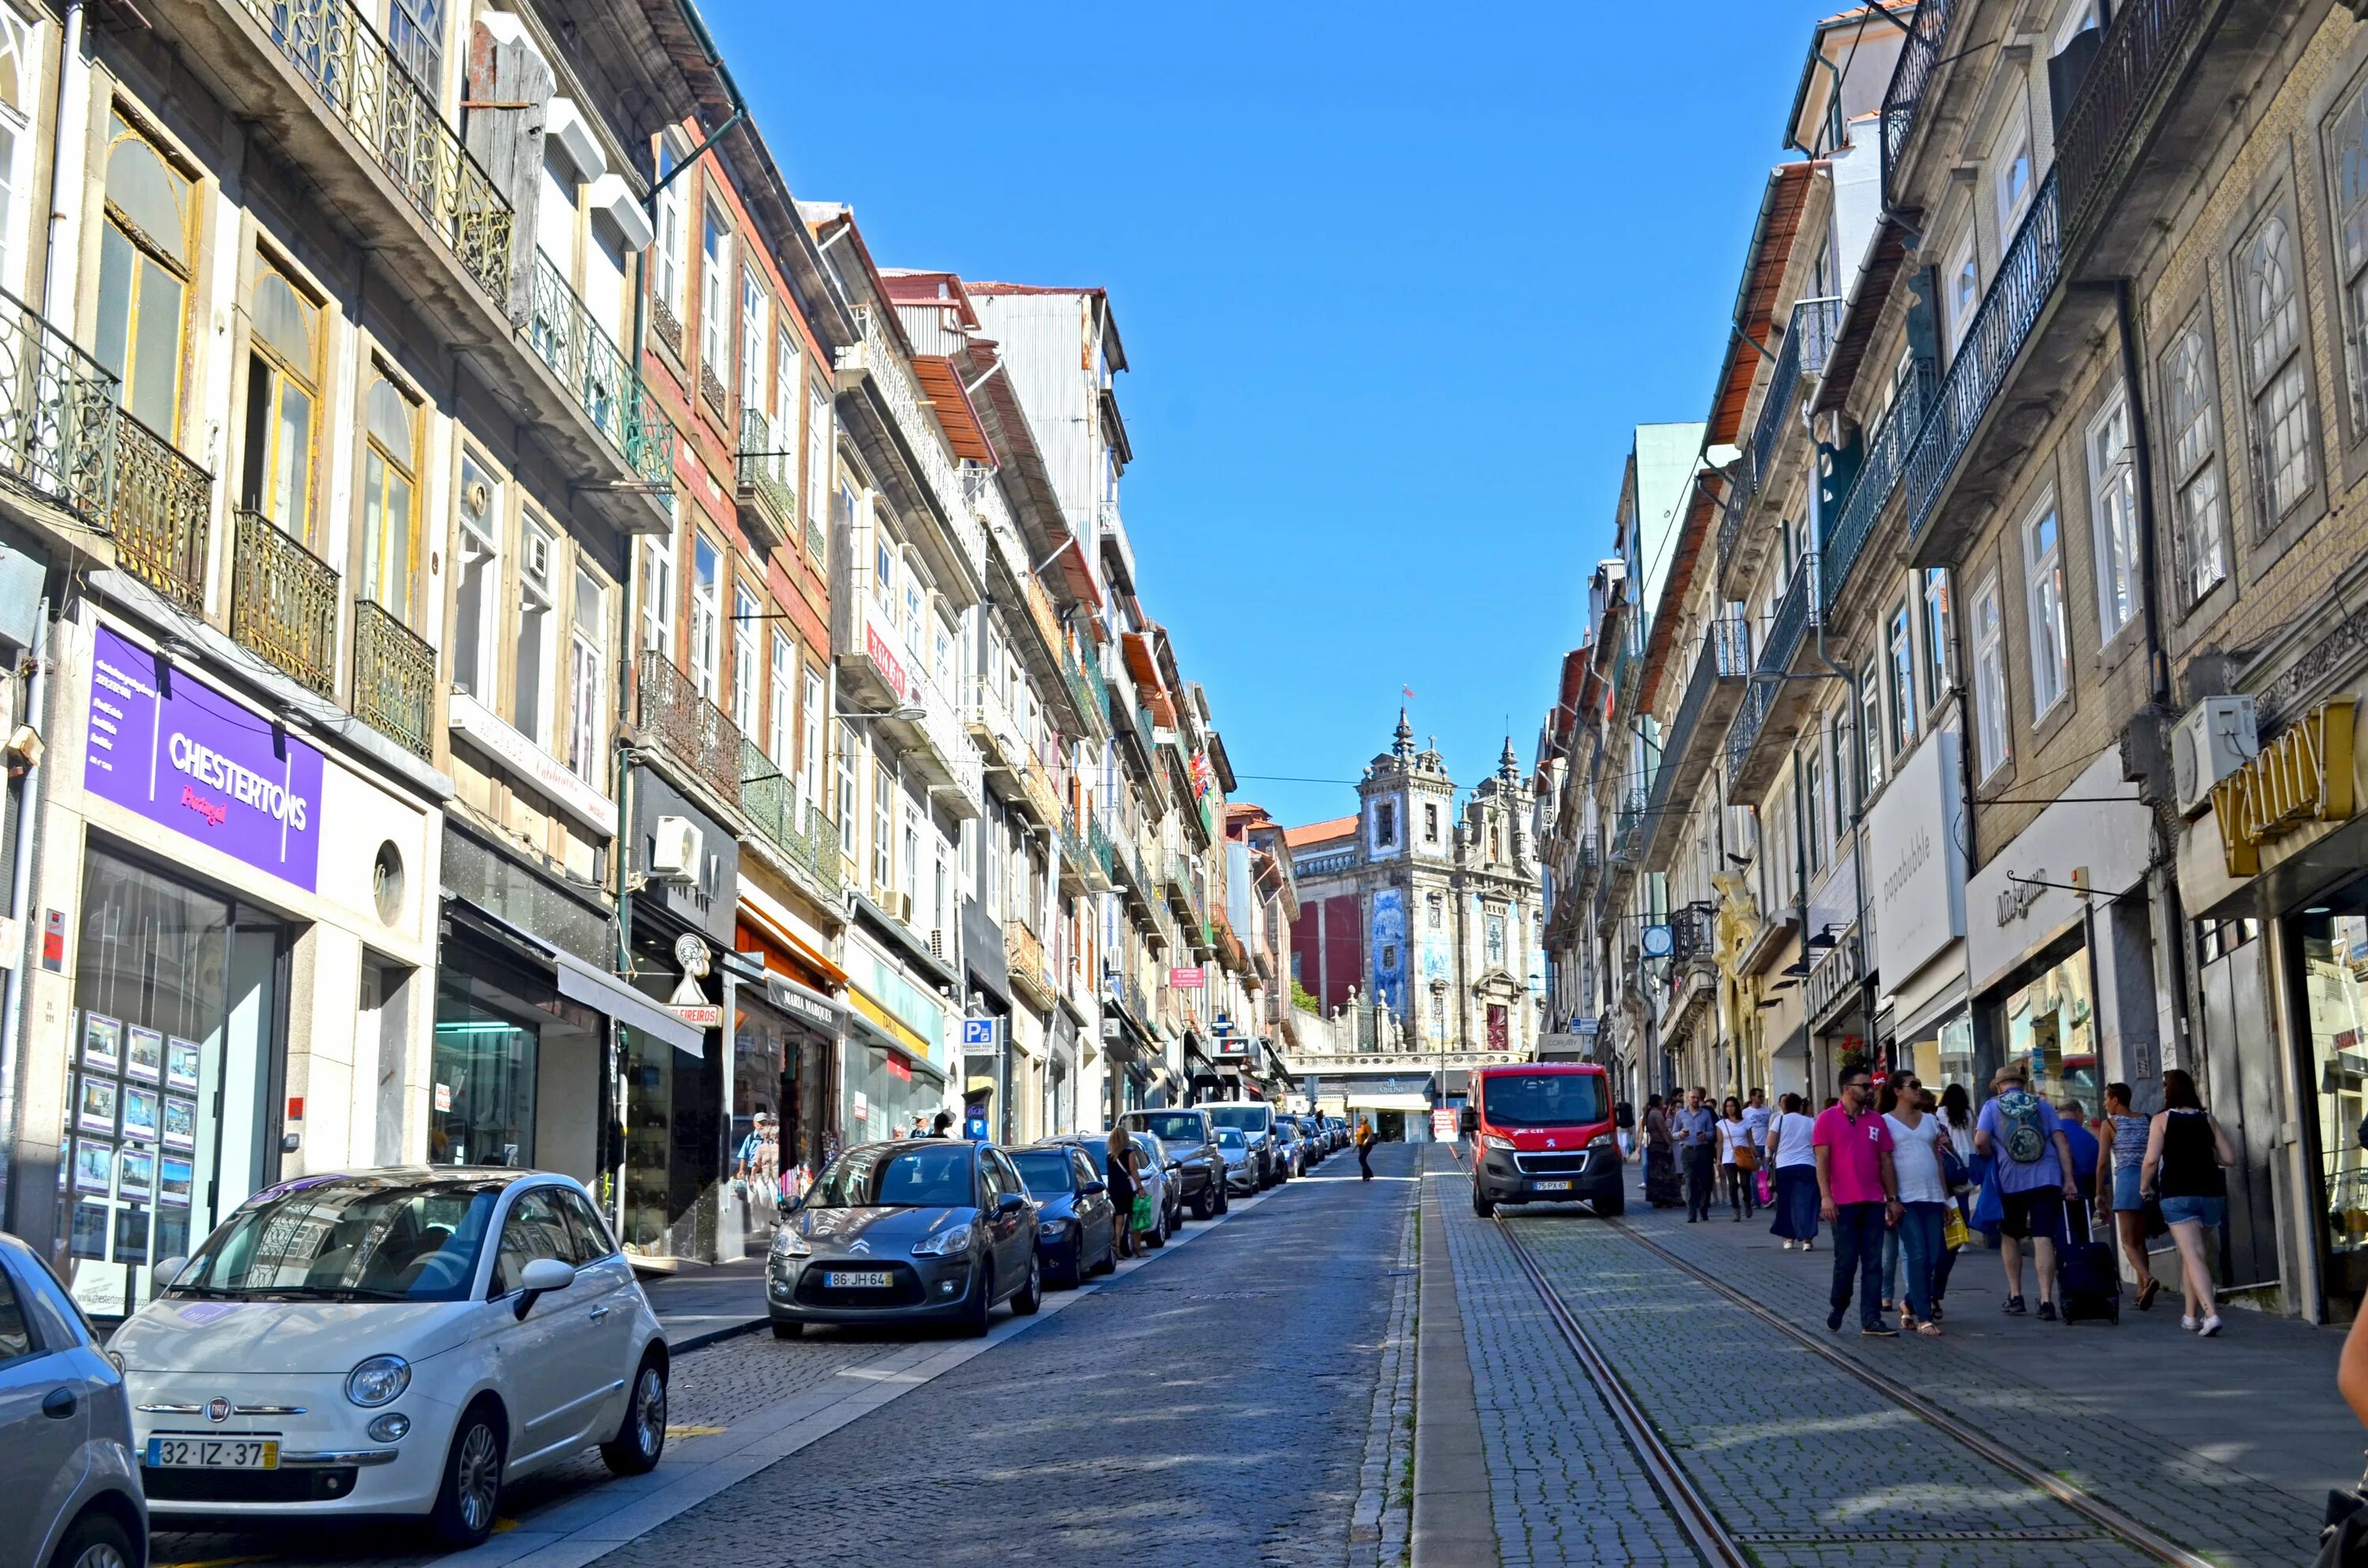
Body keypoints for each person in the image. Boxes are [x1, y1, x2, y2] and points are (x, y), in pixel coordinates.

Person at [1974, 1064, 2080, 1320]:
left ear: (2000, 1086)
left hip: (2011, 1180)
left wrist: (1992, 1156)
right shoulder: (2042, 1106)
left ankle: (2016, 1295)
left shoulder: (1992, 1106)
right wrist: (2068, 1180)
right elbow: (2062, 1141)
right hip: (2046, 1177)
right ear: (2022, 1084)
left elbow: (1980, 1141)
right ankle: (2046, 1301)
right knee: (2043, 1237)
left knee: (2010, 1235)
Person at [2141, 1067, 2237, 1336]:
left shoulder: (2161, 1120)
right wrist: (2206, 1157)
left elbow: (2150, 1160)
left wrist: (2144, 1186)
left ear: (2168, 1091)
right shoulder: (2207, 1119)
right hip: (2211, 1194)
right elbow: (2230, 1158)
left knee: (2192, 1254)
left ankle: (2211, 1313)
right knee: (2192, 1253)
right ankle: (2190, 1316)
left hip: (2178, 1194)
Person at [1814, 1066, 1902, 1337]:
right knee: (1847, 1261)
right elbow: (1822, 1161)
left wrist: (1892, 1198)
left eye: (1871, 1086)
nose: (1870, 1090)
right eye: (1864, 1086)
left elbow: (1886, 1161)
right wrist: (1826, 1196)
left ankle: (1871, 1319)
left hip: (1873, 1201)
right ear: (1847, 1088)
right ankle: (1839, 1305)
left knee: (1873, 1262)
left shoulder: (1876, 1120)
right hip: (1843, 1203)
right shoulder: (1826, 1119)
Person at [1877, 1071, 1949, 1336]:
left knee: (1933, 1257)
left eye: (1919, 1084)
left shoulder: (1930, 1121)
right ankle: (1924, 1316)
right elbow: (1883, 1163)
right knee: (1916, 1254)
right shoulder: (1884, 1122)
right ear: (1897, 1091)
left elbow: (1937, 1160)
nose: (1919, 1089)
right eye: (1914, 1085)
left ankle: (1908, 1302)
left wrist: (1945, 1199)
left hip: (1931, 1196)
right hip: (1905, 1198)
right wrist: (1890, 1199)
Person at [2096, 1081, 2160, 1312]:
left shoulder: (2110, 1124)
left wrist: (2099, 1191)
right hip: (2148, 1182)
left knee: (2127, 1242)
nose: (2104, 1104)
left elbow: (2103, 1161)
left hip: (2126, 1181)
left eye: (2106, 1099)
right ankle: (2142, 1291)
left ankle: (2148, 1278)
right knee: (2140, 1240)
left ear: (2115, 1099)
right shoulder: (2147, 1119)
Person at [1767, 1093, 1819, 1250]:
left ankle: (1789, 1238)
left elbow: (1770, 1143)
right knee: (1807, 1202)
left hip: (1784, 1166)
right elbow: (1818, 1143)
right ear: (1800, 1106)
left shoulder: (1779, 1120)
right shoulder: (1811, 1122)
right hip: (1807, 1165)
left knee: (1787, 1202)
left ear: (1784, 1106)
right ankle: (1807, 1239)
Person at [1675, 1087, 1718, 1222]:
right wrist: (1681, 1134)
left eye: (1697, 1098)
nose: (1695, 1100)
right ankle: (1691, 1213)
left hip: (1703, 1150)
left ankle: (1703, 1209)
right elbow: (1674, 1133)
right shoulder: (1680, 1114)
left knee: (1705, 1182)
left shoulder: (1706, 1114)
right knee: (1690, 1182)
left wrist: (1707, 1135)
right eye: (1692, 1097)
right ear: (1688, 1099)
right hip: (1688, 1151)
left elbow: (1712, 1132)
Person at [1104, 1123, 1142, 1260]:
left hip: (1114, 1190)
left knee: (1118, 1220)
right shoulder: (1129, 1152)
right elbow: (1133, 1170)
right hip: (1127, 1189)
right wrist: (1140, 1188)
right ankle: (1137, 1248)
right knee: (1135, 1217)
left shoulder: (1109, 1156)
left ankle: (1118, 1249)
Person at [1716, 1095, 1757, 1221]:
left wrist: (1756, 1154)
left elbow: (1750, 1140)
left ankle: (1747, 1202)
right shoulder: (1721, 1124)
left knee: (1745, 1184)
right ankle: (1736, 1210)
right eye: (1727, 1106)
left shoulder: (1746, 1122)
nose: (1730, 1109)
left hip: (1744, 1155)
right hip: (1729, 1157)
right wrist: (1718, 1159)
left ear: (1737, 1107)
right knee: (1733, 1184)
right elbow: (1720, 1142)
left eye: (1732, 1106)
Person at [1643, 1095, 1682, 1208]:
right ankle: (1666, 1198)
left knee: (1656, 1174)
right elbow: (1663, 1130)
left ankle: (1658, 1198)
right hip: (1660, 1146)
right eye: (1661, 1100)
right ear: (1658, 1102)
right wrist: (1669, 1143)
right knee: (1665, 1173)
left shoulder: (1650, 1113)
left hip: (1654, 1146)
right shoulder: (1657, 1114)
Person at [1354, 1117, 1377, 1181]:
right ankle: (1366, 1177)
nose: (1360, 1121)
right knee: (1363, 1160)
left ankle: (1369, 1173)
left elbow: (1370, 1135)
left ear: (1365, 1120)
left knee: (1361, 1159)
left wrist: (1366, 1141)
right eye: (1359, 1120)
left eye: (1361, 1120)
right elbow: (1359, 1138)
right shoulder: (1360, 1127)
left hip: (1367, 1145)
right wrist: (1355, 1148)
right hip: (1361, 1145)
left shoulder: (1367, 1126)